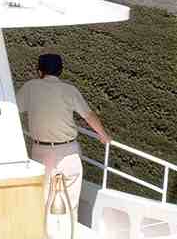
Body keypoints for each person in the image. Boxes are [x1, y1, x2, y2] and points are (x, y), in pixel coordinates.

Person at [16, 53, 111, 215]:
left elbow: (13, 109)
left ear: (40, 71)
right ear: (60, 71)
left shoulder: (30, 87)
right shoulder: (70, 90)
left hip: (41, 152)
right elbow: (88, 115)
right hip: (69, 152)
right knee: (70, 204)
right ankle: (69, 236)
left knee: (43, 201)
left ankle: (46, 236)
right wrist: (104, 136)